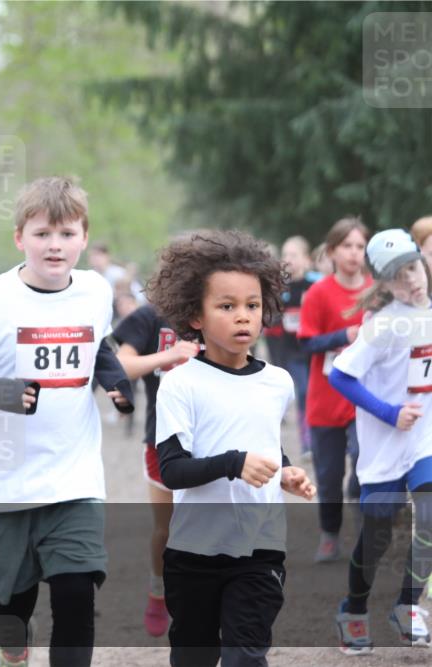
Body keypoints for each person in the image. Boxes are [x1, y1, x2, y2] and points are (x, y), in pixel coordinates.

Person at [0, 177, 134, 667]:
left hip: (73, 478)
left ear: (84, 238)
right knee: (12, 604)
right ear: (19, 237)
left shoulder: (94, 290)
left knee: (75, 596)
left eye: (67, 234)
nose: (55, 245)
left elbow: (98, 346)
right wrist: (3, 392)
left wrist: (115, 381)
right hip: (1, 484)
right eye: (43, 233)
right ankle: (13, 647)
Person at [146, 230, 315, 667]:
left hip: (260, 548)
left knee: (245, 657)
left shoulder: (277, 381)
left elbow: (264, 442)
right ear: (196, 316)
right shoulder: (181, 383)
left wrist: (287, 470)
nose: (243, 317)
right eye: (227, 306)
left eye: (252, 305)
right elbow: (173, 470)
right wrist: (234, 464)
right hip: (193, 553)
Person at [329, 229, 432, 653]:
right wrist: (390, 413)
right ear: (383, 284)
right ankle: (353, 609)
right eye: (398, 275)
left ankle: (408, 606)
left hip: (424, 441)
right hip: (384, 445)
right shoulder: (383, 325)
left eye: (413, 267)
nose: (411, 279)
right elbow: (339, 375)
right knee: (377, 536)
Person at [113, 301, 200, 637]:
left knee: (205, 525)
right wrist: (169, 356)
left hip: (214, 440)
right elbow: (121, 365)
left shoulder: (216, 309)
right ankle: (158, 585)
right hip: (163, 439)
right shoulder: (150, 316)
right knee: (166, 530)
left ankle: (198, 600)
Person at [298, 217, 372, 562]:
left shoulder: (378, 291)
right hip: (325, 399)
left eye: (360, 246)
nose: (354, 253)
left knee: (364, 463)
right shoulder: (318, 292)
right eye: (347, 246)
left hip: (365, 399)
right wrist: (346, 336)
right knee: (328, 477)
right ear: (331, 251)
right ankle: (329, 535)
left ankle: (364, 533)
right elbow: (307, 343)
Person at [277, 236, 318, 456]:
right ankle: (307, 444)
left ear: (306, 259)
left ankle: (324, 438)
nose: (288, 259)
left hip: (317, 349)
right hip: (292, 351)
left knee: (320, 393)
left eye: (293, 255)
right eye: (285, 255)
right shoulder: (280, 286)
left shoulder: (316, 283)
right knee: (303, 392)